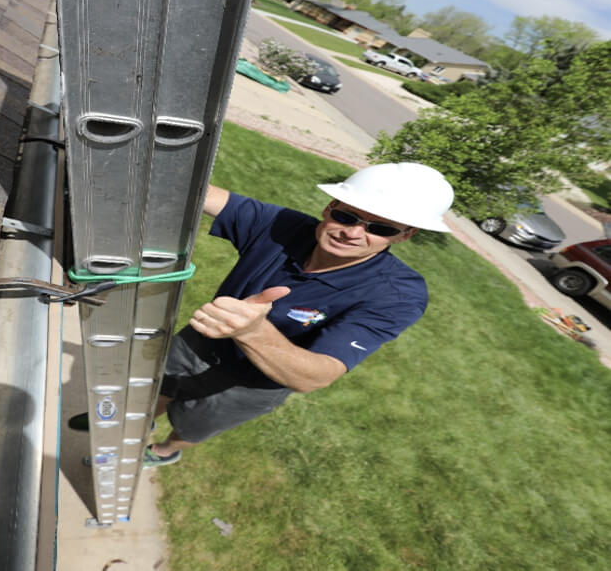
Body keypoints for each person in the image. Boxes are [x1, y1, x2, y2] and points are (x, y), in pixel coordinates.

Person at [140, 161, 454, 467]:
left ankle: (166, 450)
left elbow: (318, 375)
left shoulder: (396, 295)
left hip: (254, 383)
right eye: (346, 216)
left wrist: (251, 332)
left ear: (404, 235)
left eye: (380, 228)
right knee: (156, 390)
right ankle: (135, 429)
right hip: (200, 341)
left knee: (194, 426)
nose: (353, 233)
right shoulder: (284, 227)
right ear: (330, 207)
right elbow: (198, 193)